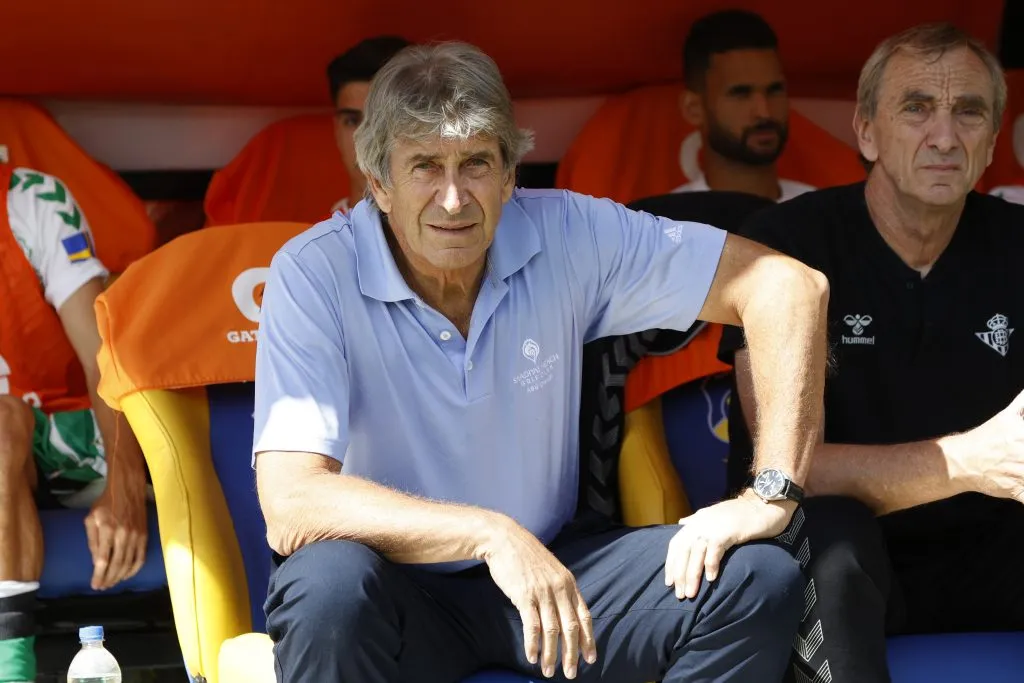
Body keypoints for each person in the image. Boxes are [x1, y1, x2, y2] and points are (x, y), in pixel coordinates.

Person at [253, 41, 830, 683]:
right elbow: (293, 502)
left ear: (509, 176)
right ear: (379, 184)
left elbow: (788, 287)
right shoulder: (314, 271)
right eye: (425, 167)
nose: (453, 198)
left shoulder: (568, 231)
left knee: (757, 576)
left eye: (476, 163)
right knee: (327, 589)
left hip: (553, 569)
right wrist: (488, 534)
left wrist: (772, 494)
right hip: (393, 588)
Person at [718, 22, 1024, 683]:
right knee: (829, 541)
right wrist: (969, 462)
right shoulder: (786, 246)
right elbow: (781, 472)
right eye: (917, 108)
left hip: (995, 547)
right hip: (848, 549)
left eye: (969, 112)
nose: (944, 137)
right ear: (866, 132)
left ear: (993, 141)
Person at [0, 166, 149, 682]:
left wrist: (124, 485)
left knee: (3, 420)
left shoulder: (29, 199)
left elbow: (101, 357)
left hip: (69, 438)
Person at [676, 9, 814, 202]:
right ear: (693, 109)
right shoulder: (665, 217)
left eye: (774, 90)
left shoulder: (823, 212)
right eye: (741, 93)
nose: (764, 112)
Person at [326, 35, 412, 215]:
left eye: (383, 120)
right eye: (352, 121)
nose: (366, 139)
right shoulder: (307, 233)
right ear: (337, 130)